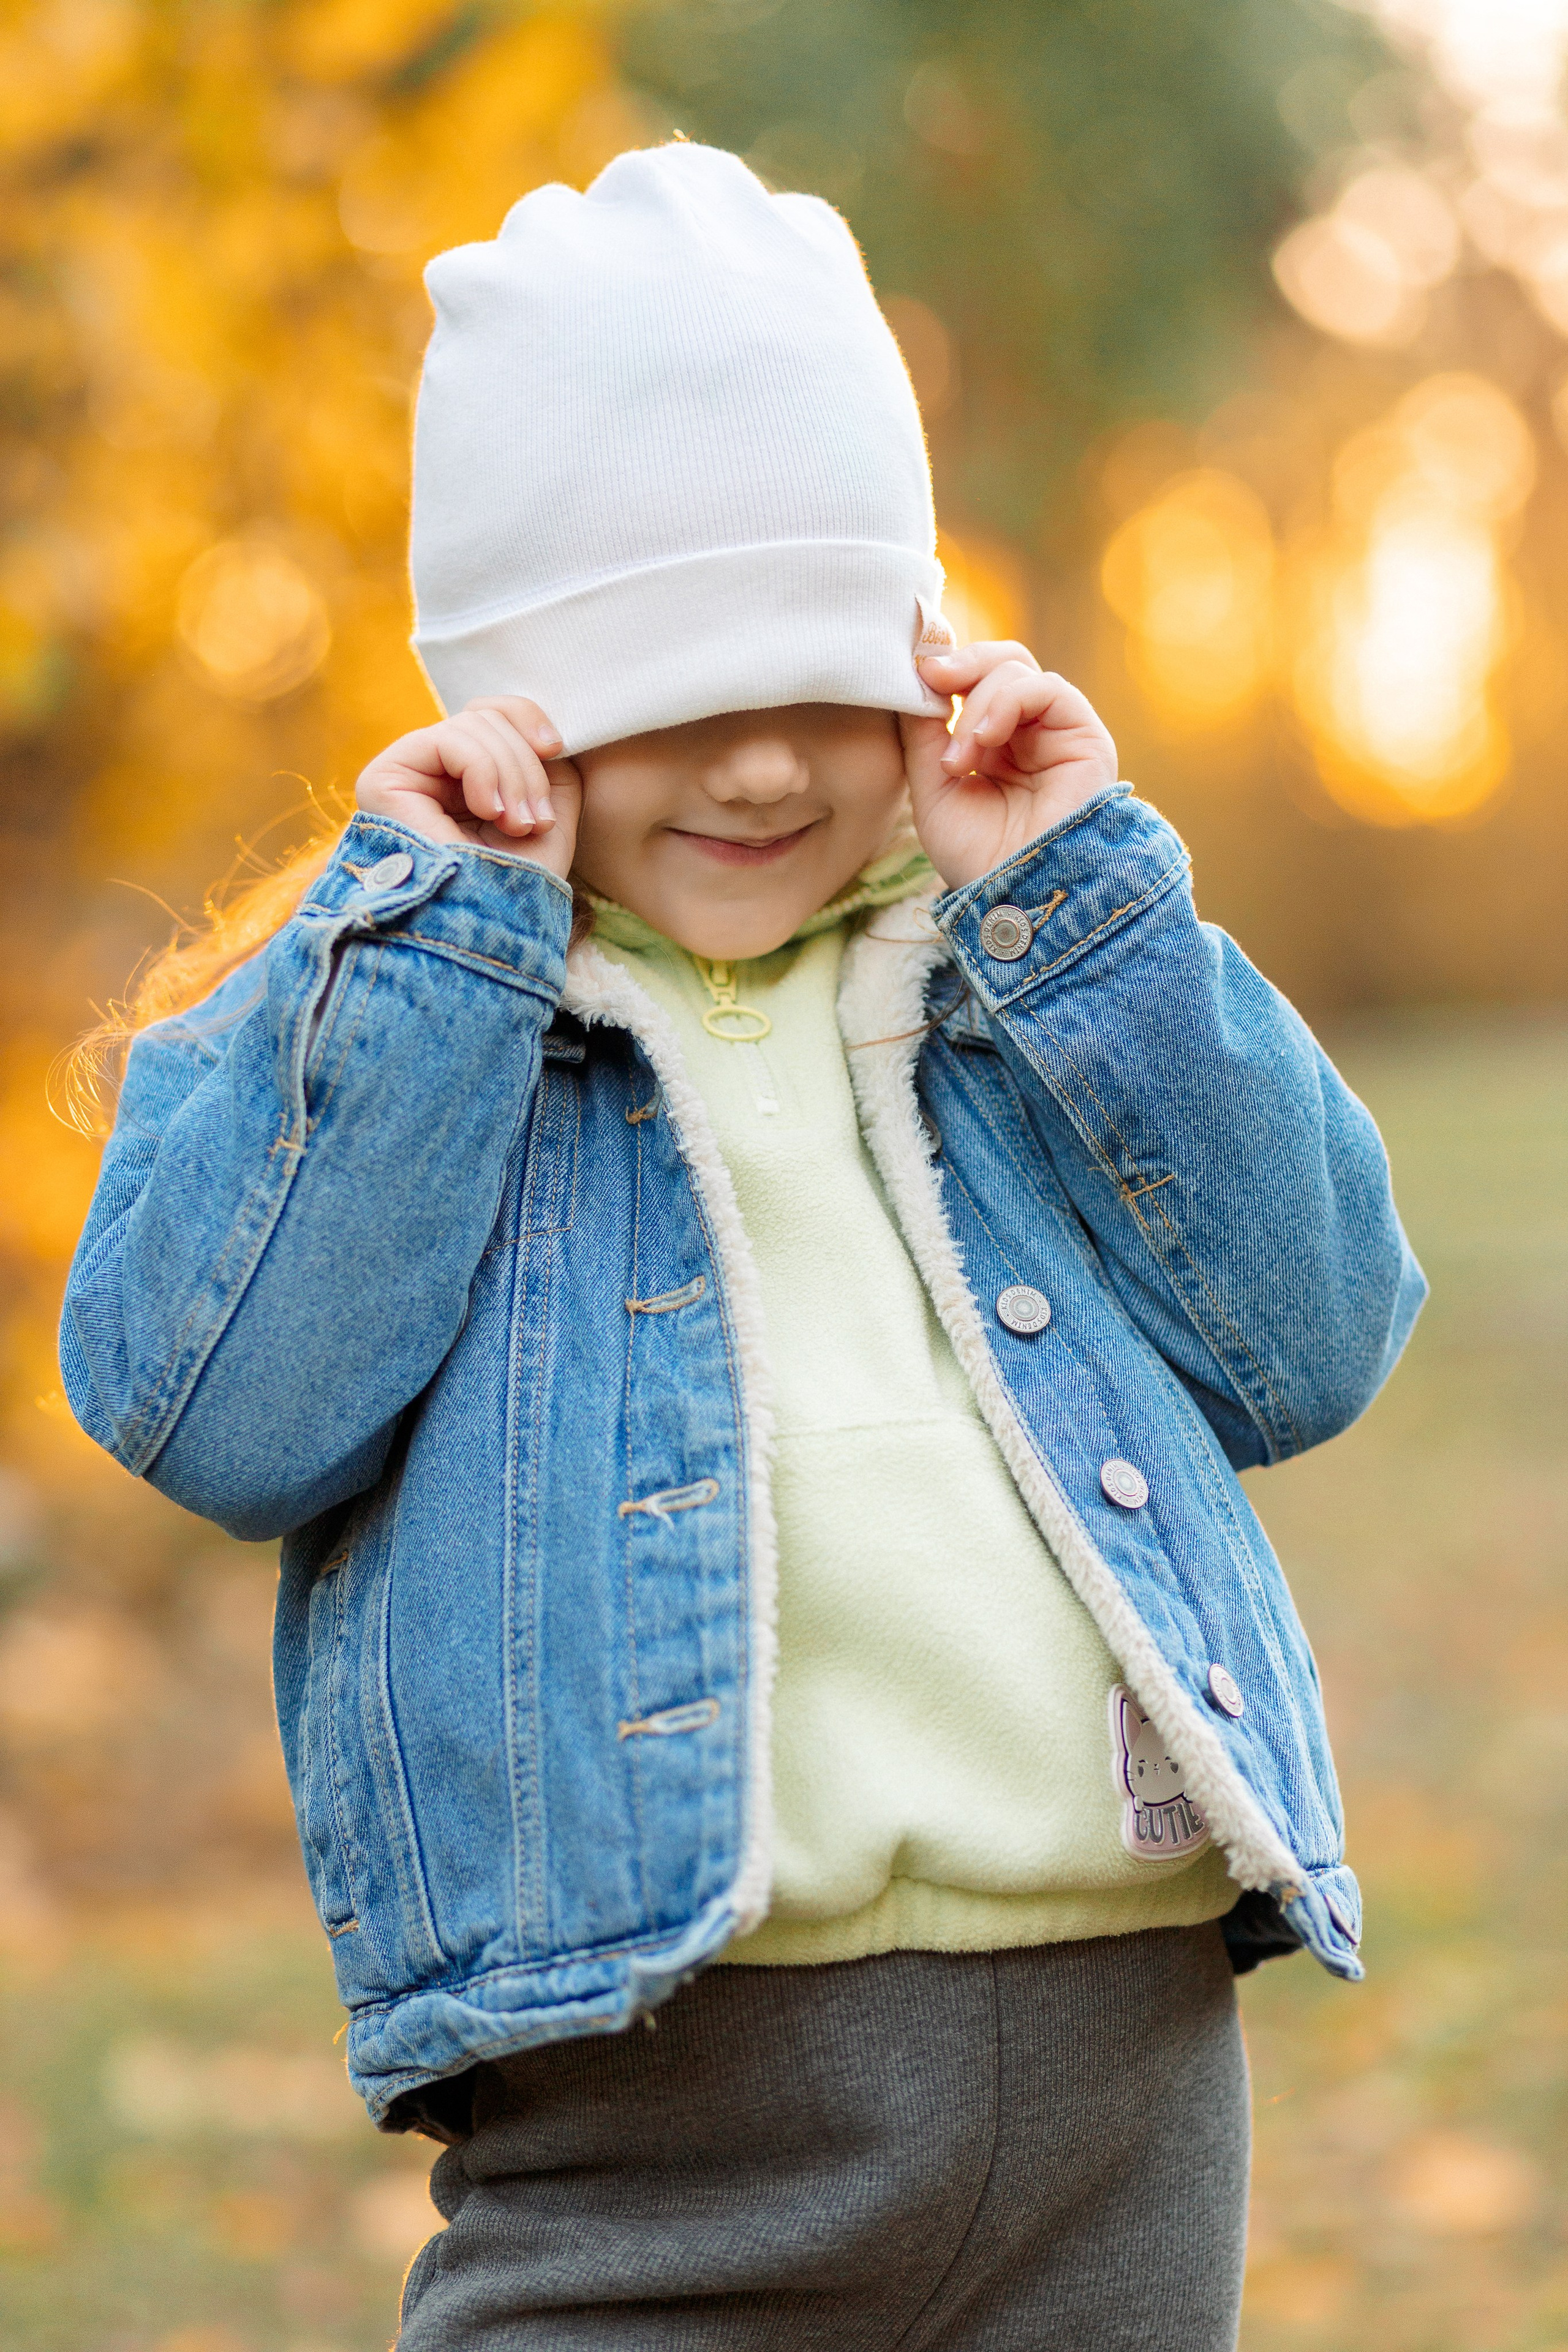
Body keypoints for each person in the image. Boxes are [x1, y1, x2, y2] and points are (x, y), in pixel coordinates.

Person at [61, 143, 1425, 2351]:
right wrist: (432, 951)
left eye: (822, 670)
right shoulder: (428, 1029)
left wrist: (1086, 910)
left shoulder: (1020, 986)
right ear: (514, 709)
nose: (773, 756)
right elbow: (222, 1412)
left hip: (1124, 2090)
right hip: (650, 2117)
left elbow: (1317, 1333)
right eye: (670, 693)